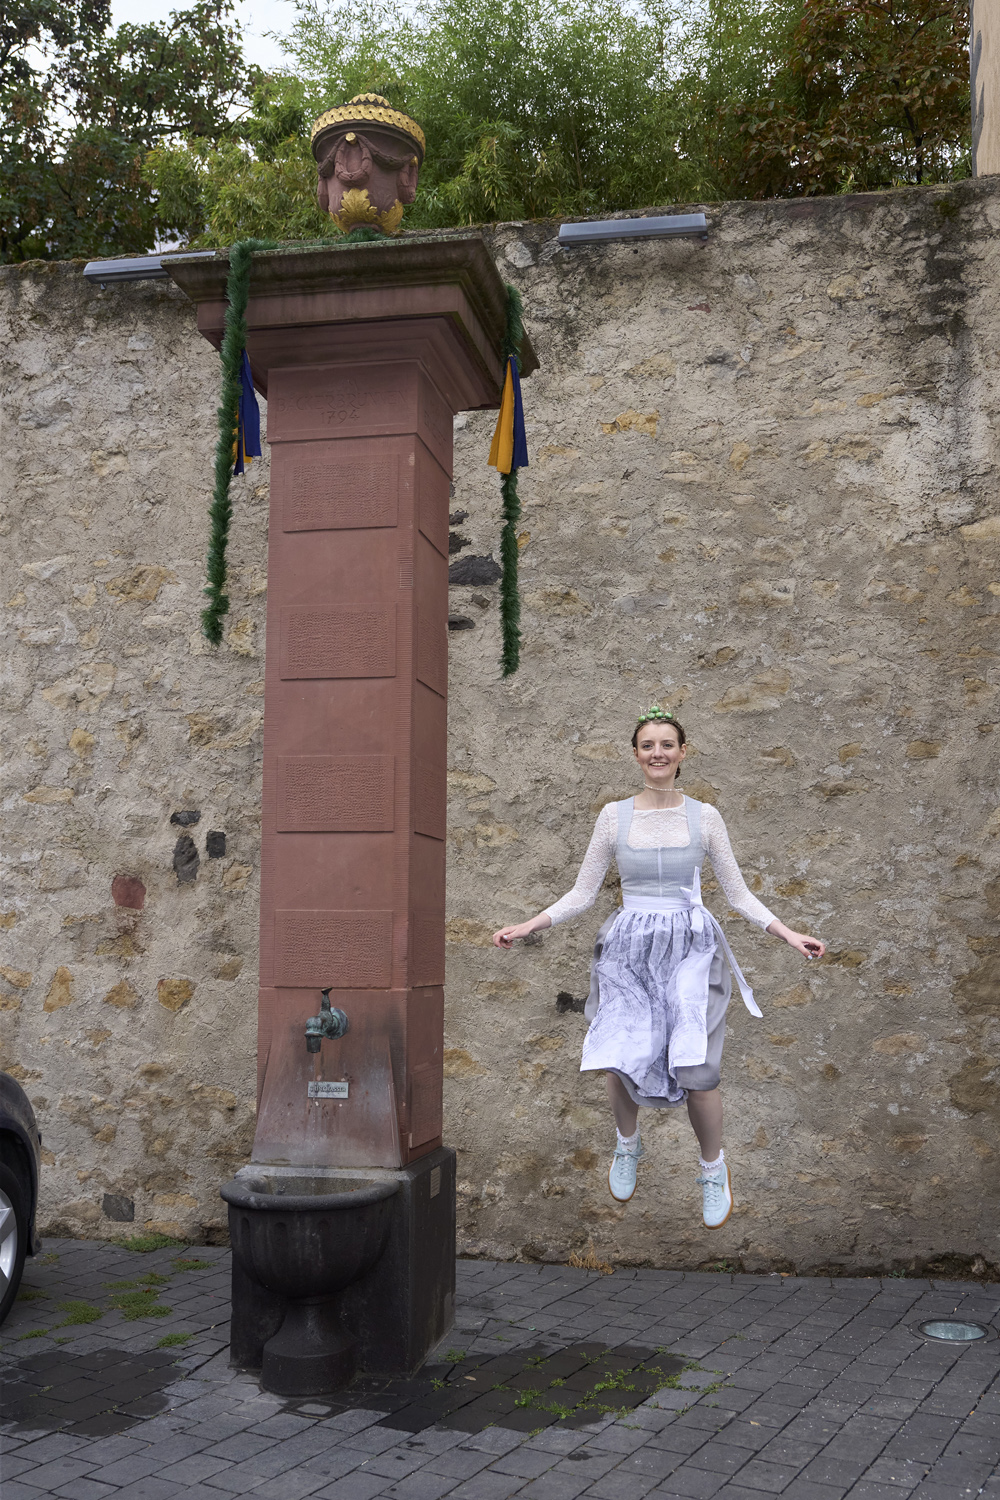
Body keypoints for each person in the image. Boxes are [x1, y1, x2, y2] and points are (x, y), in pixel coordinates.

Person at [492, 707, 825, 1228]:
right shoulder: (613, 816)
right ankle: (628, 1145)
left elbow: (737, 894)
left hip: (692, 950)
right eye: (648, 745)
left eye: (667, 744)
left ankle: (712, 1168)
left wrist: (787, 933)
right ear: (635, 754)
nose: (657, 753)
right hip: (629, 949)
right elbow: (583, 892)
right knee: (617, 1054)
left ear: (682, 752)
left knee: (697, 1069)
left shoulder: (705, 816)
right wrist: (529, 925)